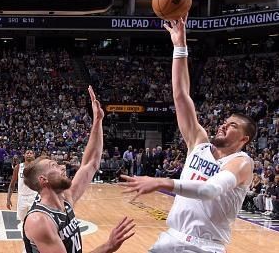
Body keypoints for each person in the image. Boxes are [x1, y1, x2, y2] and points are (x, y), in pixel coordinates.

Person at [120, 15, 256, 253]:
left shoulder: (241, 163)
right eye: (225, 122)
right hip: (169, 239)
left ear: (244, 139)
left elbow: (209, 190)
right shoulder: (198, 143)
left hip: (204, 247)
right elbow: (181, 95)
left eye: (233, 125)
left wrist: (161, 182)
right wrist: (179, 47)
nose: (223, 125)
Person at [22, 86, 135, 253]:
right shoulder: (39, 220)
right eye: (54, 165)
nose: (62, 166)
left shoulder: (64, 199)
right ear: (43, 180)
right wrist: (108, 246)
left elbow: (90, 163)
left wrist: (97, 121)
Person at [6, 149, 38, 222]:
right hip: (22, 197)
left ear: (34, 155)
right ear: (24, 155)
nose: (29, 154)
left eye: (31, 153)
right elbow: (12, 184)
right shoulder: (18, 167)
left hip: (34, 196)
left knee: (33, 221)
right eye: (27, 153)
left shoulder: (38, 167)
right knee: (22, 221)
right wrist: (8, 199)